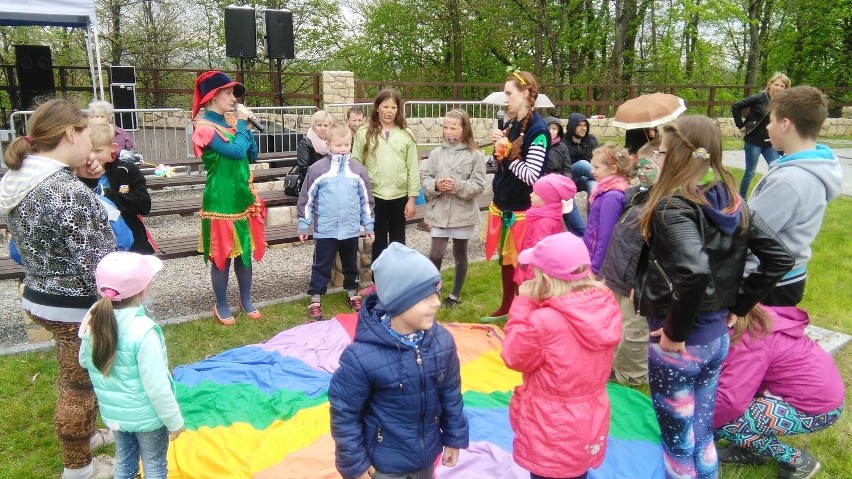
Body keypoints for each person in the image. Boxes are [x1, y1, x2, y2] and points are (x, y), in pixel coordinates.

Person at [635, 115, 794, 479]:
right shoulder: (731, 201)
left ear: (676, 157)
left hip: (679, 347)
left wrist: (675, 332)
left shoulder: (673, 206)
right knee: (702, 432)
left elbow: (695, 269)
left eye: (660, 153)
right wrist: (738, 306)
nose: (655, 160)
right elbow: (779, 257)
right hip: (715, 341)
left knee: (677, 442)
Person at [0, 99, 117, 479]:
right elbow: (99, 264)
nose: (91, 144)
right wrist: (119, 303)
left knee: (81, 379)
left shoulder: (28, 178)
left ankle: (87, 440)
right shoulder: (64, 191)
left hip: (42, 294)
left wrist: (85, 180)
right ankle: (80, 469)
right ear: (71, 133)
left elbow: (55, 237)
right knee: (78, 389)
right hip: (75, 308)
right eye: (86, 133)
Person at [328, 242, 469, 479]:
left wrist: (454, 438)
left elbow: (451, 395)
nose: (436, 302)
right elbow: (344, 413)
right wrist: (356, 465)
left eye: (437, 292)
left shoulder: (442, 342)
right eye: (426, 297)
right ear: (398, 302)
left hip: (426, 458)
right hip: (384, 464)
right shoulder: (361, 357)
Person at [502, 232, 621, 479]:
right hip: (589, 417)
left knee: (549, 472)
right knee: (577, 472)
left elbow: (513, 355)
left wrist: (524, 305)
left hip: (551, 425)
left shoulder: (544, 322)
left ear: (544, 278)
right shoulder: (604, 305)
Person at [78, 252, 185, 479]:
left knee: (125, 462)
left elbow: (84, 361)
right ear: (144, 290)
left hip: (116, 416)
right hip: (148, 420)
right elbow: (157, 388)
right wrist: (174, 421)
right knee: (155, 465)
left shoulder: (94, 319)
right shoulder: (143, 331)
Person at [714, 304, 844, 478]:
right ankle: (749, 449)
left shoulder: (749, 340)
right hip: (821, 396)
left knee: (727, 423)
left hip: (817, 408)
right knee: (730, 410)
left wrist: (696, 425)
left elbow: (729, 402)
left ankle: (797, 461)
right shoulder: (758, 316)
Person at [747, 85, 843, 307]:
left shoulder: (788, 181)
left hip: (768, 282)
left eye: (770, 120)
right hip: (790, 275)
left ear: (785, 124)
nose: (768, 126)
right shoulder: (816, 165)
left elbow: (749, 234)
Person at [190, 71, 266, 325]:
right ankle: (221, 303)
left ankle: (245, 299)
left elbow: (250, 155)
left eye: (234, 93)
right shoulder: (204, 128)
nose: (234, 98)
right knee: (222, 255)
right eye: (228, 92)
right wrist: (242, 125)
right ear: (212, 96)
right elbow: (234, 152)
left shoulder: (232, 123)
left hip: (242, 197)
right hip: (220, 200)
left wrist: (245, 125)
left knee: (244, 252)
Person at [482, 70, 550, 322]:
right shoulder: (511, 125)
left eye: (509, 93)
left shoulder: (538, 130)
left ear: (525, 94)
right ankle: (507, 306)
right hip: (503, 205)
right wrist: (497, 152)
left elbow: (533, 175)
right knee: (507, 260)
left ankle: (524, 313)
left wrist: (508, 155)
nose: (505, 99)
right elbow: (497, 163)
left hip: (522, 210)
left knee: (523, 264)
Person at [298, 122, 375, 321]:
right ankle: (315, 298)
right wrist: (304, 224)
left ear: (351, 144)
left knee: (350, 264)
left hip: (350, 230)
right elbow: (307, 198)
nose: (342, 149)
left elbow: (366, 200)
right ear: (328, 144)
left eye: (346, 145)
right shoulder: (317, 170)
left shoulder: (358, 171)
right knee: (321, 264)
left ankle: (352, 293)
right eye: (338, 145)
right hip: (325, 230)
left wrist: (368, 226)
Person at [599, 140, 661, 385]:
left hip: (636, 284)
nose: (642, 173)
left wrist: (642, 281)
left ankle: (633, 379)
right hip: (616, 273)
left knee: (633, 331)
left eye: (649, 168)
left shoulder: (664, 204)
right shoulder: (636, 195)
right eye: (640, 168)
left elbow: (652, 251)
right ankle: (615, 368)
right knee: (615, 326)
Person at [421, 109, 487, 308]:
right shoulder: (435, 154)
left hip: (462, 213)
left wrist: (457, 186)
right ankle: (433, 292)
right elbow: (425, 179)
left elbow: (478, 184)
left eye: (454, 127)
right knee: (436, 254)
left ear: (464, 128)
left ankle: (455, 295)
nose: (449, 131)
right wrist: (436, 185)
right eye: (446, 127)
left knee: (460, 253)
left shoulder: (474, 155)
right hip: (440, 213)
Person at [352, 89, 420, 262]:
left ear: (398, 109)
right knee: (378, 241)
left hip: (399, 196)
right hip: (375, 196)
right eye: (385, 106)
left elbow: (413, 168)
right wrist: (359, 195)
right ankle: (378, 283)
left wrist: (412, 199)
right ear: (377, 108)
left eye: (393, 107)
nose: (389, 111)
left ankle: (399, 281)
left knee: (399, 242)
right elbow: (356, 166)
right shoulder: (364, 133)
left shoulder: (406, 134)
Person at [78, 120, 155, 254]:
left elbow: (144, 205)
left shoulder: (126, 169)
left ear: (112, 148)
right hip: (96, 247)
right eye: (88, 150)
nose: (92, 156)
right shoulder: (75, 173)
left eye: (98, 150)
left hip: (131, 244)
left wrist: (108, 195)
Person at [732, 72, 791, 197]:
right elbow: (736, 106)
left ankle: (768, 195)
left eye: (782, 86)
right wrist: (740, 125)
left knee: (775, 169)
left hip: (770, 143)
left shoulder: (783, 103)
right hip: (753, 141)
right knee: (750, 172)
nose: (779, 88)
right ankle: (742, 199)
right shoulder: (760, 98)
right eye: (777, 85)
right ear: (770, 85)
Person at [513, 174, 575, 285]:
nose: (531, 195)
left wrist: (530, 279)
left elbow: (539, 254)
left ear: (548, 199)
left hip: (534, 275)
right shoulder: (541, 215)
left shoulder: (544, 222)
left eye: (536, 193)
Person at [583, 143, 632, 275]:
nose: (592, 171)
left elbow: (605, 236)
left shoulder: (612, 197)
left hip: (599, 264)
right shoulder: (606, 190)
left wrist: (595, 268)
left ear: (613, 169)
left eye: (596, 167)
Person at [544, 116, 584, 236]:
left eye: (554, 128)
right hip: (545, 185)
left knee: (577, 224)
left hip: (561, 183)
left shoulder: (562, 147)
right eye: (549, 128)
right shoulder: (539, 145)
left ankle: (582, 241)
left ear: (558, 131)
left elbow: (568, 167)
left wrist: (565, 182)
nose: (551, 131)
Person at [563, 112, 598, 193]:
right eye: (579, 125)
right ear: (572, 126)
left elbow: (599, 158)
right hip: (569, 175)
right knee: (582, 164)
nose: (583, 128)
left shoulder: (591, 140)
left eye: (585, 125)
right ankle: (608, 180)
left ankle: (593, 206)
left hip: (587, 176)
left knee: (594, 187)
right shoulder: (563, 142)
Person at [296, 109, 334, 183]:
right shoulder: (306, 142)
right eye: (319, 125)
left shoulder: (333, 141)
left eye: (326, 125)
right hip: (310, 181)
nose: (323, 128)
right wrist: (323, 176)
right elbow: (303, 168)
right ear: (314, 126)